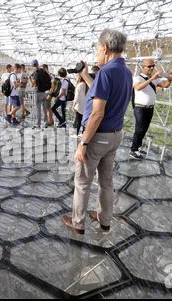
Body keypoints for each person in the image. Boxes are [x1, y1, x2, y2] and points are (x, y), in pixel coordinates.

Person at [62, 29, 132, 234]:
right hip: (115, 135)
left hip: (97, 137)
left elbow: (97, 114)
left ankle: (78, 223)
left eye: (97, 49)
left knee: (82, 182)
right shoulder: (126, 72)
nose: (96, 54)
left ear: (105, 47)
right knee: (106, 182)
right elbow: (101, 93)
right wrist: (84, 74)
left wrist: (83, 143)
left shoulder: (106, 72)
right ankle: (104, 219)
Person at [130, 59, 172, 159]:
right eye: (149, 66)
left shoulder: (154, 80)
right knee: (139, 129)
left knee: (144, 129)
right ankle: (133, 150)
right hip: (140, 108)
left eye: (153, 66)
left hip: (150, 108)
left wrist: (170, 79)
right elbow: (138, 87)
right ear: (143, 67)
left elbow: (164, 85)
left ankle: (137, 148)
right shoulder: (137, 78)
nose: (152, 68)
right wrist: (152, 78)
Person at [29, 60, 52, 129]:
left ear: (33, 66)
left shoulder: (36, 73)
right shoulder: (43, 71)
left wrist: (30, 79)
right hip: (44, 92)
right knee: (44, 109)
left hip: (37, 93)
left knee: (38, 109)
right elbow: (50, 79)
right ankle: (45, 123)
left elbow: (33, 84)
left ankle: (38, 124)